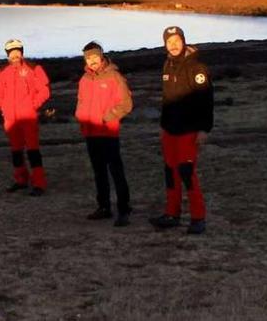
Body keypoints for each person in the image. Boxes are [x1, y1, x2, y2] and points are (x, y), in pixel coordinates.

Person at [149, 26, 214, 235]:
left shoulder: (197, 67)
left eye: (176, 40)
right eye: (169, 42)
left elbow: (206, 100)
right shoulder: (167, 65)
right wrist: (162, 125)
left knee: (187, 173)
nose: (173, 45)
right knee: (170, 172)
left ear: (183, 40)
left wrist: (204, 129)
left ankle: (198, 218)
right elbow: (167, 100)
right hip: (170, 129)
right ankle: (171, 214)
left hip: (189, 129)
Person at [76, 42, 134, 227]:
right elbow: (81, 101)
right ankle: (104, 207)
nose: (92, 60)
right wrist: (81, 116)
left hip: (108, 132)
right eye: (88, 57)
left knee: (116, 171)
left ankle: (124, 209)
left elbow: (126, 104)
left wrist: (107, 117)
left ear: (101, 57)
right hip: (90, 132)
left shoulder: (115, 76)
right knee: (98, 172)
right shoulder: (84, 79)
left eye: (94, 57)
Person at [0, 39, 51, 196]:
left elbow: (44, 90)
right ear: (7, 55)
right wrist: (2, 107)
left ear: (22, 52)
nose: (15, 55)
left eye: (17, 51)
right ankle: (21, 180)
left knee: (33, 150)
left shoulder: (34, 68)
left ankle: (39, 183)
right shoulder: (2, 71)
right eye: (11, 52)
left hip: (28, 116)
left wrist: (33, 104)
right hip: (11, 117)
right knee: (16, 150)